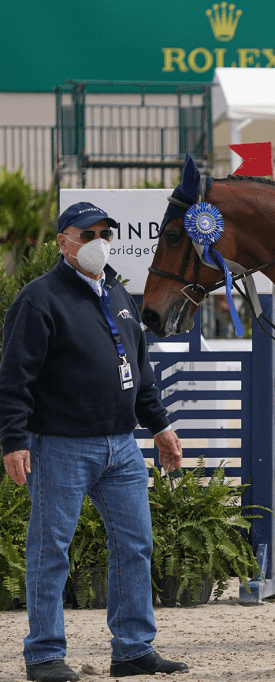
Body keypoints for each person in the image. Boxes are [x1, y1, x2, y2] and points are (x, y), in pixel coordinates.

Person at [0, 202, 188, 682]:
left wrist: (161, 427)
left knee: (135, 544)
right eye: (88, 234)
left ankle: (131, 649)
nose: (99, 241)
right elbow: (15, 378)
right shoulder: (38, 299)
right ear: (63, 241)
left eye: (106, 232)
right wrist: (13, 440)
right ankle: (43, 655)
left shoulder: (119, 294)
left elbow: (140, 373)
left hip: (121, 446)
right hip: (60, 444)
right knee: (50, 550)